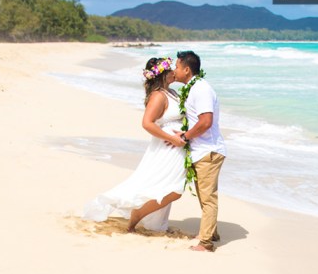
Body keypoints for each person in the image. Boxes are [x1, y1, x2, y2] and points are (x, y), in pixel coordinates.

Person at [83, 57, 186, 233]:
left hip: (176, 147)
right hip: (167, 146)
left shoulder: (172, 92)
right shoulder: (158, 96)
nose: (174, 72)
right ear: (162, 74)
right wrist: (172, 138)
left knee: (165, 184)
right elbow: (147, 123)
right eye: (170, 69)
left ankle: (152, 220)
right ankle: (137, 214)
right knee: (174, 188)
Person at [173, 50, 226, 252]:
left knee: (208, 198)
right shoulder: (194, 87)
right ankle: (210, 232)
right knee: (205, 196)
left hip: (208, 151)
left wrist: (186, 137)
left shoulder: (201, 89)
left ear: (187, 69)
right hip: (202, 150)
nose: (174, 70)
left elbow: (205, 122)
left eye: (177, 67)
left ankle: (205, 243)